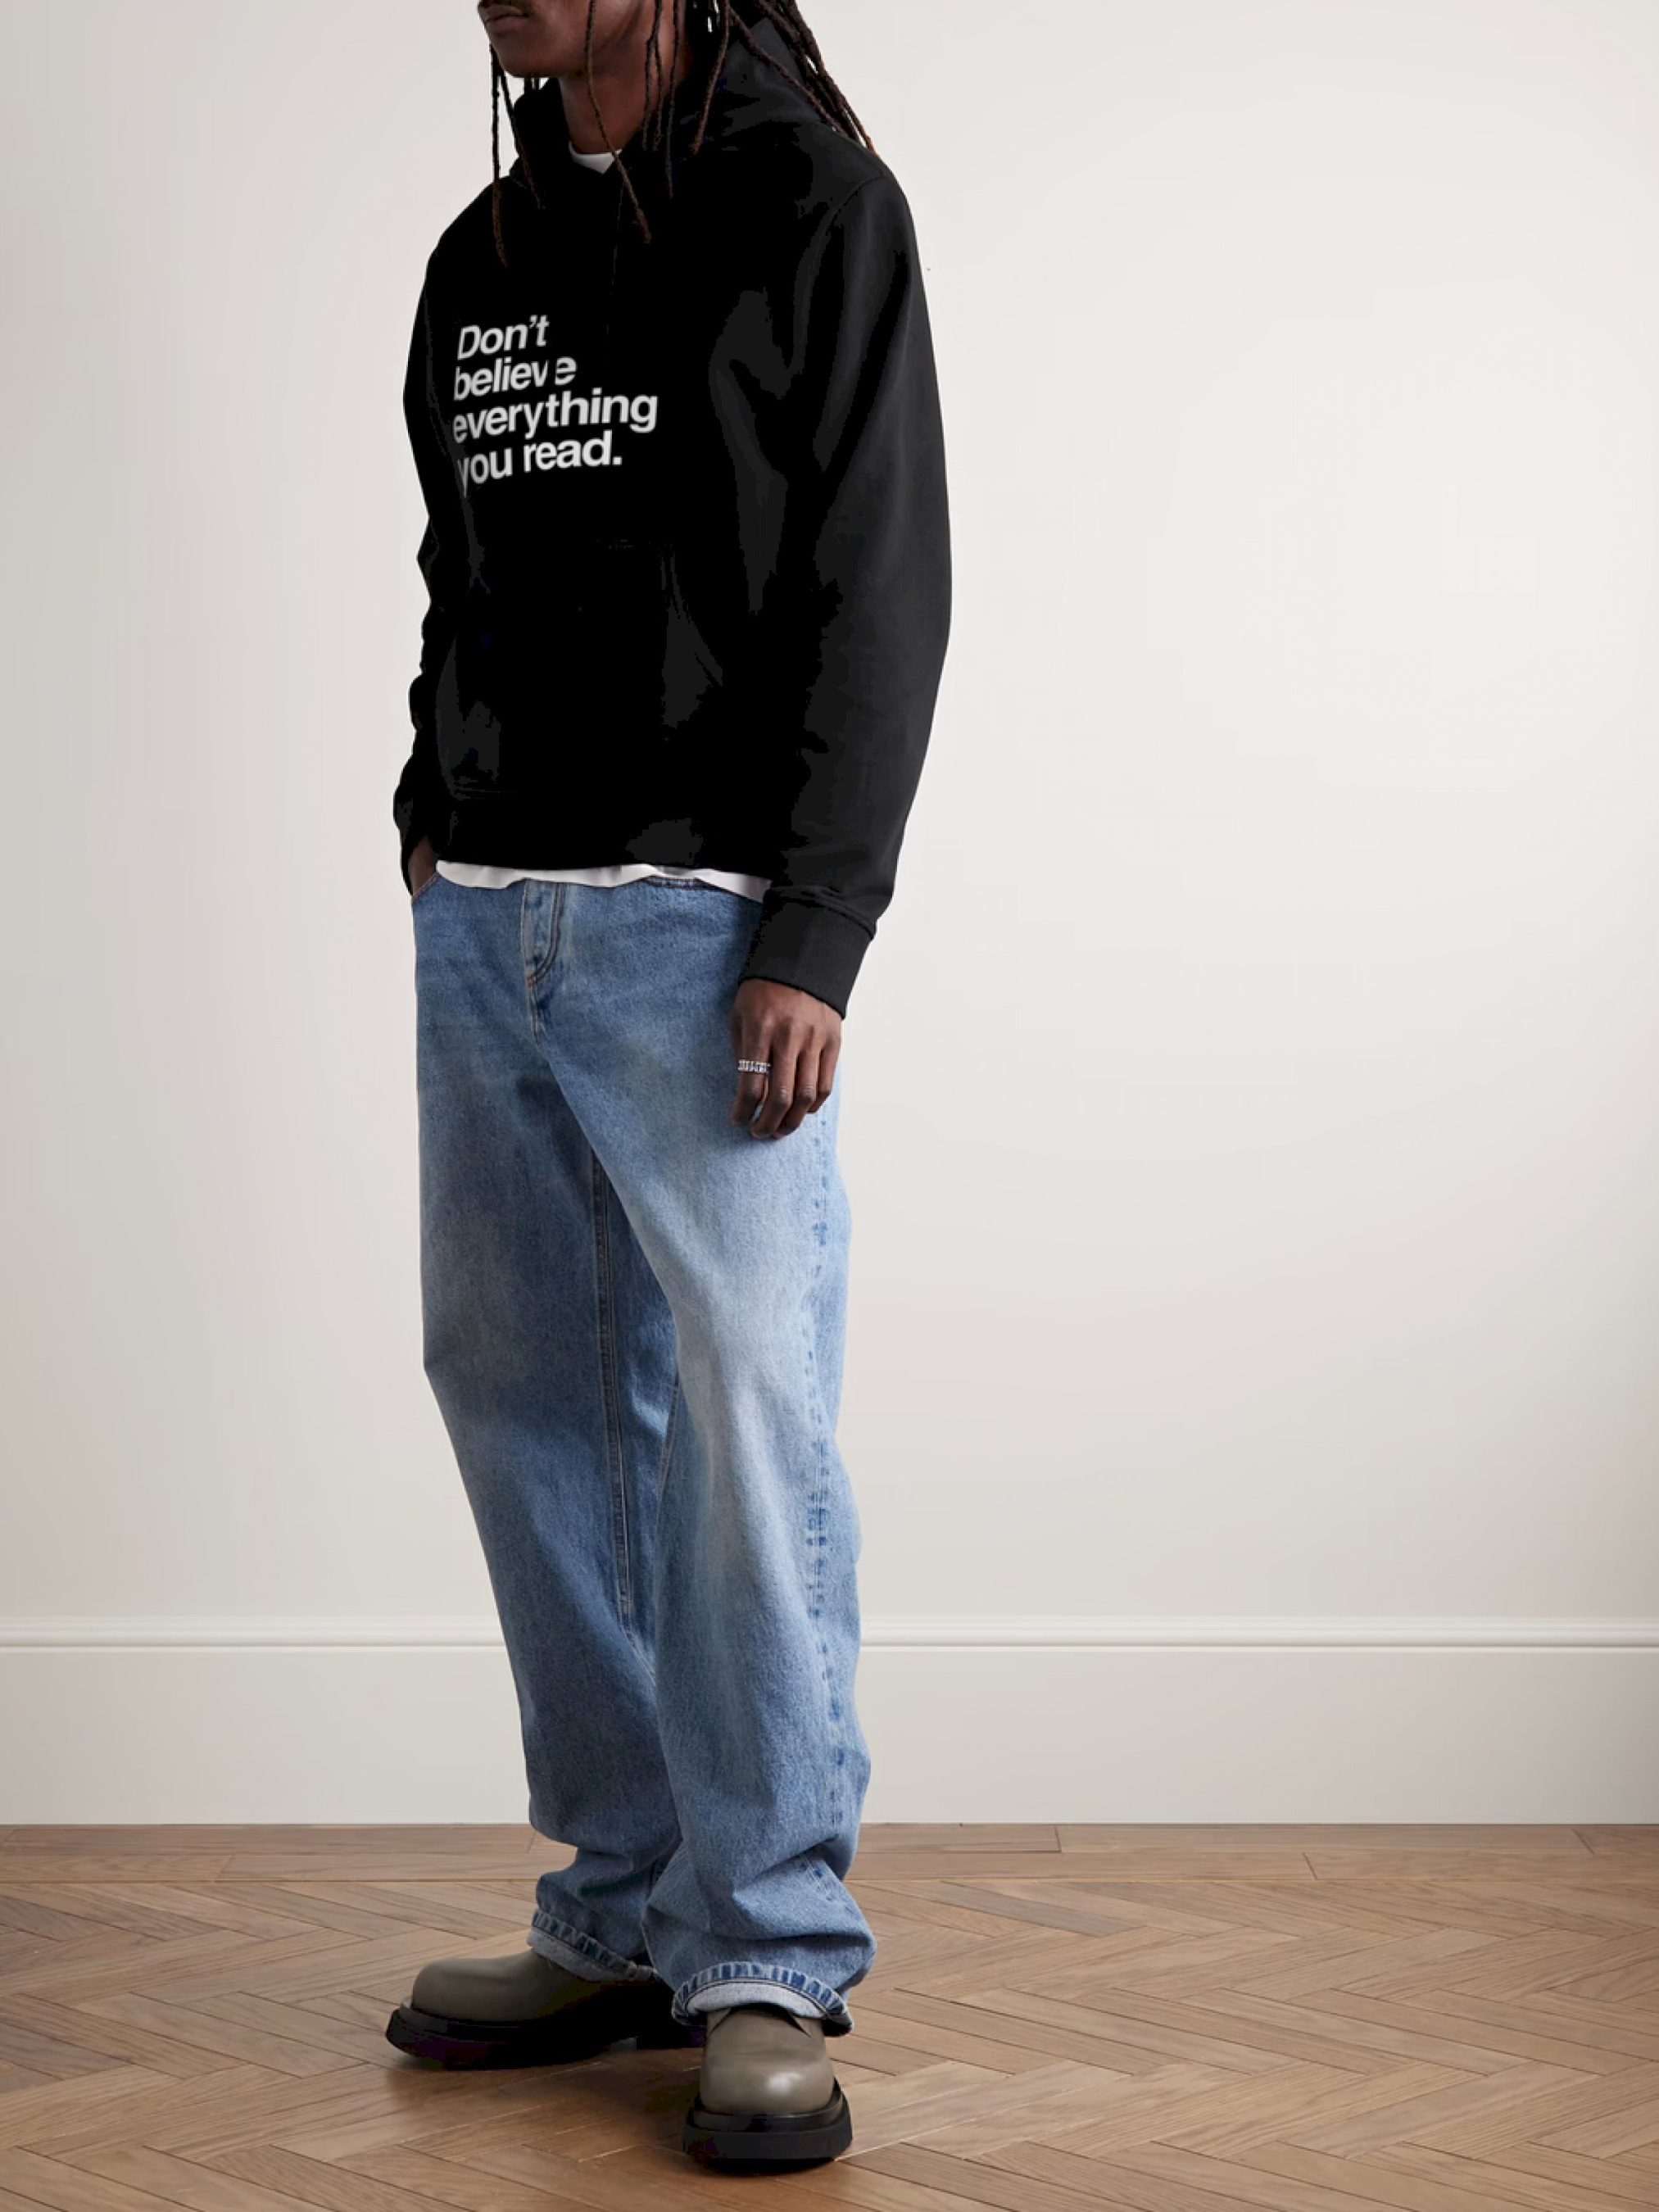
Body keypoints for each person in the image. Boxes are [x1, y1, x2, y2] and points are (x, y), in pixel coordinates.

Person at [383, 0, 950, 2169]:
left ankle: (769, 1950)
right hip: (487, 920)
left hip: (700, 925)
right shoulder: (482, 255)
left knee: (739, 1415)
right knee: (518, 1392)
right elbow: (455, 565)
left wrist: (816, 929)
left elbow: (881, 582)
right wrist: (429, 797)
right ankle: (626, 1903)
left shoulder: (813, 208)